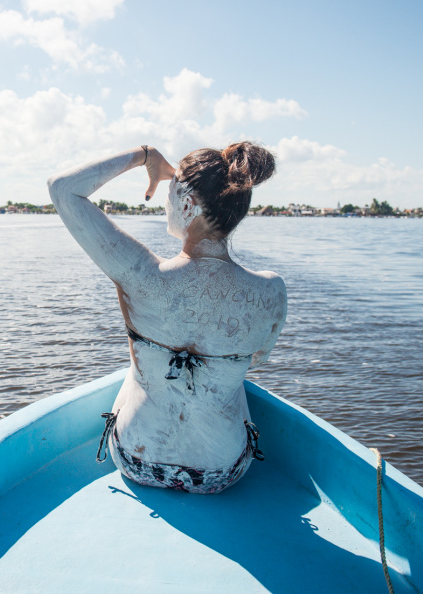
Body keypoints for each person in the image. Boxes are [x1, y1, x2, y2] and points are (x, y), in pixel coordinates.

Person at [48, 142, 287, 494]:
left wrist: (144, 156)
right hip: (223, 472)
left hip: (136, 459)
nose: (166, 204)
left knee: (142, 368)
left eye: (171, 191)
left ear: (187, 204)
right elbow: (258, 358)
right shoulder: (271, 290)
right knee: (229, 378)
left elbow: (62, 188)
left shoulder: (139, 272)